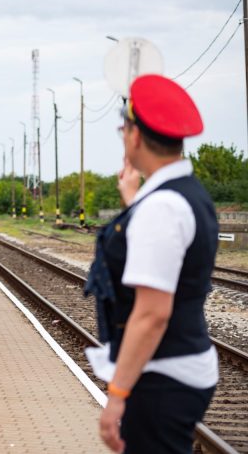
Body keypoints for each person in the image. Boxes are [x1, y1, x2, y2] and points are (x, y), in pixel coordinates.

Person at [84, 74, 218, 453]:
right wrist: (134, 200)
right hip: (182, 364)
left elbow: (152, 314)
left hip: (162, 374)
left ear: (135, 136)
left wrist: (118, 394)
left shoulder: (162, 207)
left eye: (123, 128)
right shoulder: (184, 195)